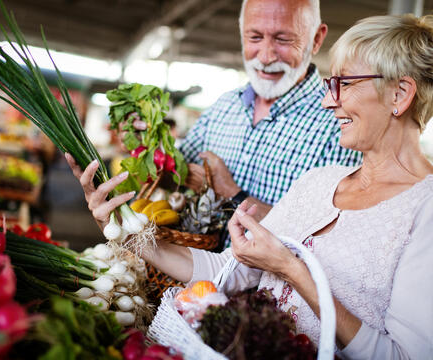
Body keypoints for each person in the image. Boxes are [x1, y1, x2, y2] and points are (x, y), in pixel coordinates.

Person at [66, 14, 433, 359]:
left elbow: (401, 355)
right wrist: (126, 234)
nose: (327, 100)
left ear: (400, 95)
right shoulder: (318, 182)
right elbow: (228, 270)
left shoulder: (425, 208)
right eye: (329, 84)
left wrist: (293, 271)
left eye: (344, 84)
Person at [121, 0, 362, 224]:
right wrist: (147, 147)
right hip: (193, 267)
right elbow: (172, 177)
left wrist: (232, 194)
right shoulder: (224, 106)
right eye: (255, 37)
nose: (266, 56)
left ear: (317, 39)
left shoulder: (340, 122)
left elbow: (324, 232)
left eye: (283, 39)